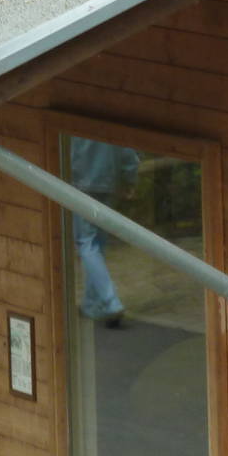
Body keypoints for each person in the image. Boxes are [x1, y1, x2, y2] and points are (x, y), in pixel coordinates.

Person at [69, 137, 139, 327]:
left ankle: (110, 302)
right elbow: (126, 149)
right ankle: (91, 304)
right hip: (108, 183)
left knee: (87, 244)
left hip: (81, 184)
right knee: (98, 244)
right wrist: (130, 177)